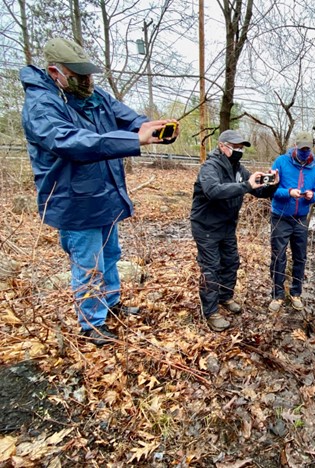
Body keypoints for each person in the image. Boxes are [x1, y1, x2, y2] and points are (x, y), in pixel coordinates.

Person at [20, 37, 179, 347]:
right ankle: (91, 324)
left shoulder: (94, 95)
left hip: (104, 194)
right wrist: (135, 141)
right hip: (74, 202)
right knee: (88, 263)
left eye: (88, 74)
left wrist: (150, 127)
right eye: (79, 75)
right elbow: (72, 142)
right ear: (56, 72)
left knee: (110, 255)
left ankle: (111, 304)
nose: (87, 80)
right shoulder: (41, 106)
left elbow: (126, 117)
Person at [190, 129, 278, 331]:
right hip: (206, 227)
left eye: (241, 147)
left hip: (227, 226)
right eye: (235, 147)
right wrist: (246, 185)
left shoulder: (238, 168)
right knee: (211, 268)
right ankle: (211, 312)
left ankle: (225, 297)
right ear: (222, 146)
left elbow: (258, 191)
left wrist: (272, 184)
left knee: (231, 262)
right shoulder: (210, 167)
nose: (239, 150)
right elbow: (214, 191)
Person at [268, 131, 315, 313]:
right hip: (280, 217)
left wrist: (311, 196)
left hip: (301, 219)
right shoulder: (281, 162)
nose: (305, 151)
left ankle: (296, 293)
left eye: (308, 148)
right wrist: (288, 192)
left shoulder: (314, 167)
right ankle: (277, 295)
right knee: (278, 257)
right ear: (296, 146)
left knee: (300, 257)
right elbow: (271, 188)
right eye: (302, 148)